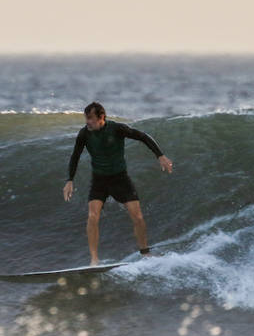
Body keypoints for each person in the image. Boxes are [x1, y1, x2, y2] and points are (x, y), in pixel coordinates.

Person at [62, 101, 173, 265]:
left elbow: (143, 137)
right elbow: (75, 156)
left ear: (101, 117)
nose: (88, 122)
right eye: (86, 118)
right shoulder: (84, 134)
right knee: (93, 216)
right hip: (99, 180)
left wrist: (160, 155)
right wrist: (69, 180)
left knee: (137, 216)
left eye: (91, 118)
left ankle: (145, 253)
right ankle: (94, 260)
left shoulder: (117, 129)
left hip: (120, 179)